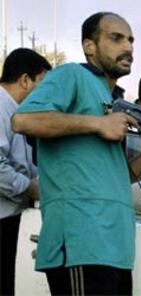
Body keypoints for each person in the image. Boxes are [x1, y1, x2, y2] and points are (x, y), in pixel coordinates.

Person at [11, 12, 141, 296]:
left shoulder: (114, 100)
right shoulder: (71, 75)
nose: (128, 47)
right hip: (80, 244)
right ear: (90, 46)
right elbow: (23, 120)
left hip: (115, 248)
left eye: (131, 40)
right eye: (116, 38)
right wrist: (98, 123)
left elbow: (121, 177)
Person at [0, 48, 51, 296]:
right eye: (42, 83)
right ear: (24, 80)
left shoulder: (15, 112)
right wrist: (30, 186)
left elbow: (23, 163)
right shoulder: (0, 107)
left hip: (11, 216)